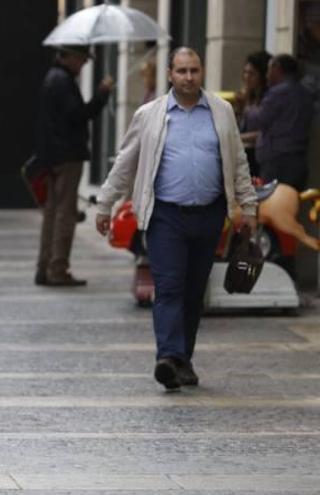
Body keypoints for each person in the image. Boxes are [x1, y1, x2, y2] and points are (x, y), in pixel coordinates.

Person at [95, 47, 258, 391]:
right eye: (181, 71)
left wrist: (249, 206)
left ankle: (183, 360)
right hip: (165, 215)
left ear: (202, 72)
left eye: (194, 70)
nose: (188, 77)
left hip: (209, 214)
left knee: (194, 291)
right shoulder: (149, 115)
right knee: (169, 287)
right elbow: (125, 162)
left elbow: (238, 163)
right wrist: (105, 204)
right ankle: (167, 357)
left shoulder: (222, 112)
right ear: (170, 74)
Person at [34, 45, 114, 286]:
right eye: (81, 59)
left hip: (53, 154)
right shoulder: (62, 81)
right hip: (66, 156)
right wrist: (101, 94)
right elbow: (78, 115)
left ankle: (44, 266)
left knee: (52, 212)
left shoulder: (53, 77)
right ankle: (57, 268)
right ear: (68, 57)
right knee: (64, 214)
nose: (84, 64)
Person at [255, 54, 313, 190]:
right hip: (298, 159)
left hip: (276, 161)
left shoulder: (276, 93)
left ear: (277, 68)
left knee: (272, 202)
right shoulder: (305, 93)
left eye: (269, 69)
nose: (266, 75)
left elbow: (261, 119)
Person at [234, 51, 272, 177]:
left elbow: (266, 131)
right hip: (244, 154)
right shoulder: (248, 96)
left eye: (252, 74)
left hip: (260, 156)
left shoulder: (269, 98)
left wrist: (240, 138)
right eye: (245, 72)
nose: (246, 77)